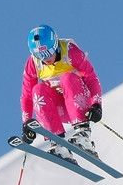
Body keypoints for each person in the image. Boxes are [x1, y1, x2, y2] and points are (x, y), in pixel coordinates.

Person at [19, 24, 103, 164]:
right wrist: (27, 122)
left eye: (48, 53)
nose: (46, 59)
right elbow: (27, 95)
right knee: (38, 90)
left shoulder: (70, 52)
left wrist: (96, 105)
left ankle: (83, 135)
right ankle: (58, 143)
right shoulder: (33, 63)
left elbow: (92, 79)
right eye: (40, 56)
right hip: (58, 109)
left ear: (56, 44)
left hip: (79, 104)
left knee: (67, 78)